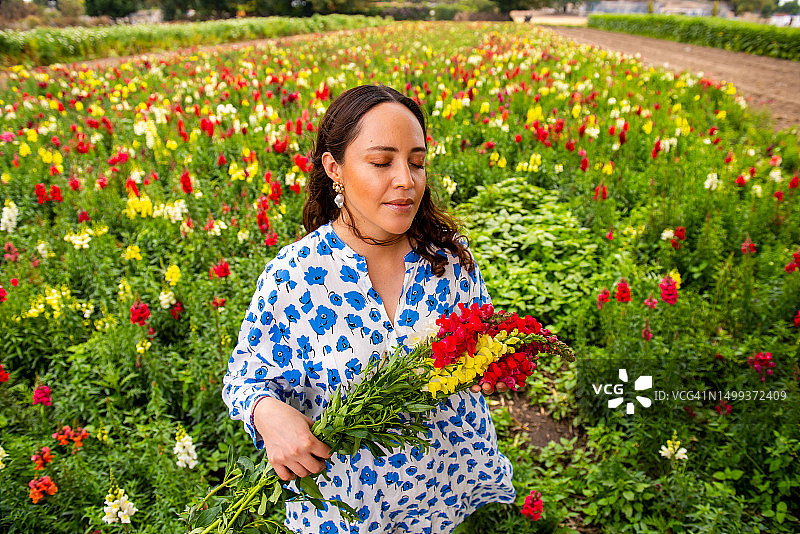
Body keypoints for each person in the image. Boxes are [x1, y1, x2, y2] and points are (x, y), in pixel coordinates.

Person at [222, 84, 515, 534]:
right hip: (350, 510)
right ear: (334, 168)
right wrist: (268, 412)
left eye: (417, 162)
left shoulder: (448, 259)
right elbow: (247, 376)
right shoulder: (295, 277)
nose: (406, 180)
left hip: (444, 492)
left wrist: (491, 365)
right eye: (382, 162)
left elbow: (482, 340)